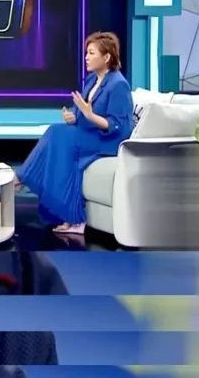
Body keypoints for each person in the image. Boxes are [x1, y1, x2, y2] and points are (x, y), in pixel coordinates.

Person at [17, 32, 133, 236]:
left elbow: (118, 127)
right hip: (88, 133)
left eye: (91, 53)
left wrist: (89, 115)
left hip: (108, 140)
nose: (86, 57)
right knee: (56, 131)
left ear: (106, 57)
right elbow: (81, 110)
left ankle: (24, 180)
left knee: (63, 139)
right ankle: (60, 210)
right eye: (86, 53)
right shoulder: (92, 79)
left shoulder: (118, 84)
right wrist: (73, 115)